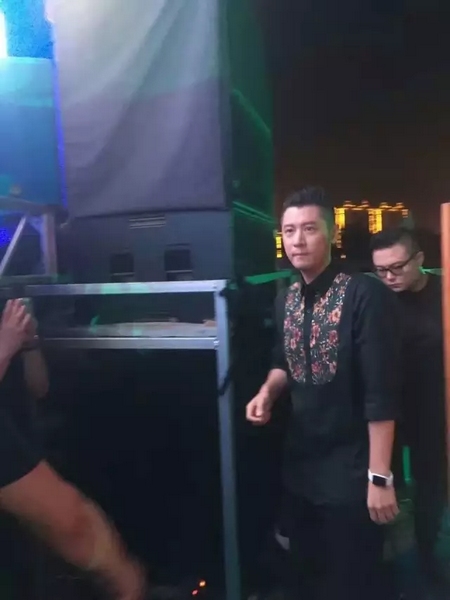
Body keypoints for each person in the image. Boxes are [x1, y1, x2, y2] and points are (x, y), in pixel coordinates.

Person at [246, 186, 402, 600]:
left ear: (331, 234)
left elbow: (382, 391)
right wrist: (267, 393)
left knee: (353, 581)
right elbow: (284, 360)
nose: (297, 240)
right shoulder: (286, 299)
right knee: (304, 577)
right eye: (289, 230)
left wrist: (380, 476)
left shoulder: (364, 294)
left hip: (353, 471)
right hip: (301, 467)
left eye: (309, 229)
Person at [0, 298, 146, 600]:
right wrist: (5, 346)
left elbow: (38, 387)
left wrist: (28, 343)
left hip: (20, 443)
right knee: (78, 526)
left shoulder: (6, 308)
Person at [371, 227, 447, 592]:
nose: (389, 277)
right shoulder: (376, 299)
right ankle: (395, 570)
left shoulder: (444, 294)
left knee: (432, 490)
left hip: (434, 409)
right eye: (381, 270)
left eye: (397, 267)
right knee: (386, 495)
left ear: (420, 259)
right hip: (386, 411)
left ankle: (429, 564)